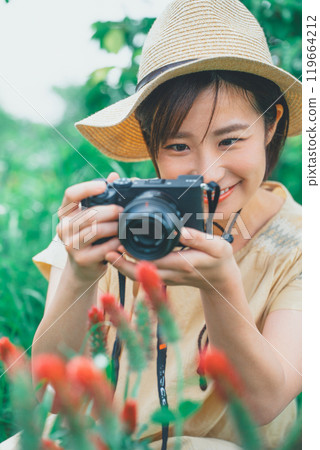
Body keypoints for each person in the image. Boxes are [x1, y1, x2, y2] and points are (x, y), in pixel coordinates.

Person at [30, 0, 302, 448]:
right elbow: (53, 390)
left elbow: (261, 405)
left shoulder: (301, 243)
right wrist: (79, 275)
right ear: (151, 145)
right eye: (178, 146)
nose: (208, 172)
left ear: (270, 124)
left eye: (230, 139)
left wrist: (220, 289)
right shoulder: (105, 226)